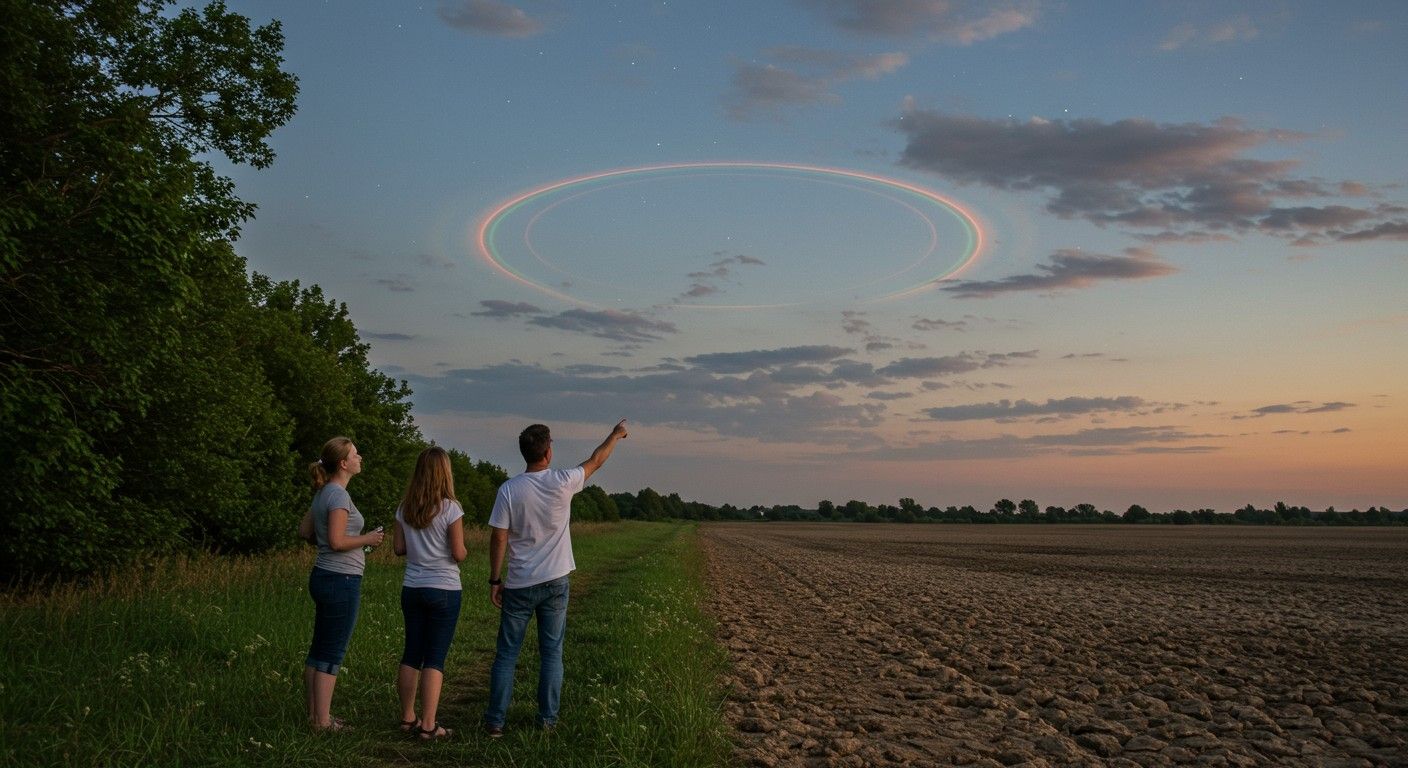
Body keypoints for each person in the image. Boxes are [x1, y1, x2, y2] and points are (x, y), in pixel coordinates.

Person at [482, 419, 629, 736]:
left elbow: (498, 538)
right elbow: (596, 460)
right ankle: (547, 721)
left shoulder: (508, 490)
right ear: (547, 452)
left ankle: (495, 722)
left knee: (507, 654)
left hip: (519, 584)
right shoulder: (563, 481)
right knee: (551, 653)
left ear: (525, 453)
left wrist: (495, 580)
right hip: (555, 583)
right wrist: (614, 435)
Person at [297, 437, 385, 731]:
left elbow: (305, 531)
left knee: (319, 649)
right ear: (344, 463)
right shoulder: (337, 496)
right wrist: (368, 539)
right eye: (356, 455)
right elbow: (336, 542)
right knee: (332, 652)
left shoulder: (323, 493)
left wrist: (325, 540)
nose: (360, 458)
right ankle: (322, 721)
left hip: (324, 575)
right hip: (340, 579)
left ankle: (315, 716)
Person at [392, 446, 467, 740]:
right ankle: (428, 724)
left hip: (413, 586)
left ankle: (407, 717)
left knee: (412, 652)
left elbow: (399, 549)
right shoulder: (451, 508)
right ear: (444, 473)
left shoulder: (404, 507)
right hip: (444, 588)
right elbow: (458, 553)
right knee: (434, 657)